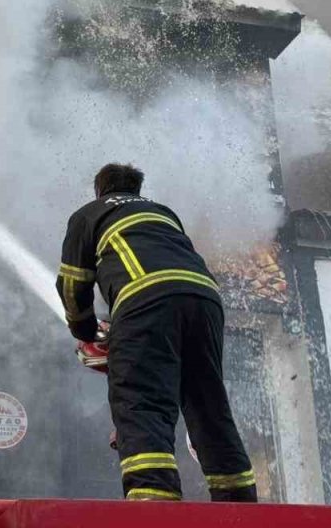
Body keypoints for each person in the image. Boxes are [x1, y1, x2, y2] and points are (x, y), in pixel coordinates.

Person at [56, 163, 257, 503]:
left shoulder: (88, 214)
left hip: (145, 299)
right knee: (207, 402)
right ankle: (239, 501)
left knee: (141, 402)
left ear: (100, 190)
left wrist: (87, 331)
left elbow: (73, 285)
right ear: (136, 189)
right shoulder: (163, 213)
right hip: (205, 300)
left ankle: (154, 501)